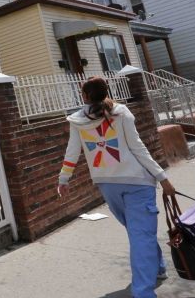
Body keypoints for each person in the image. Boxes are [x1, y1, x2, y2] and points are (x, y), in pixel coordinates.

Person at [57, 76, 175, 298]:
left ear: (84, 96)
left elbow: (72, 152)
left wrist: (63, 179)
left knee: (139, 233)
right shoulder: (121, 113)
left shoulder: (77, 121)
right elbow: (138, 148)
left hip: (107, 185)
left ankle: (156, 269)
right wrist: (162, 177)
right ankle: (143, 292)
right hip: (137, 182)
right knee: (140, 234)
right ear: (106, 91)